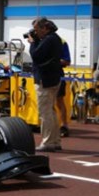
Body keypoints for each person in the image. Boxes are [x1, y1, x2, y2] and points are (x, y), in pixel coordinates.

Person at [29, 17, 64, 152]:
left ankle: (48, 141)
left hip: (45, 80)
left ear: (45, 28)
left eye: (37, 30)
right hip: (53, 78)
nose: (36, 33)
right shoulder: (55, 38)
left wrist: (33, 42)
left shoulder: (49, 39)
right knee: (51, 111)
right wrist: (37, 40)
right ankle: (55, 141)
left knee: (45, 112)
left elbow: (36, 55)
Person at [56, 37, 72, 138]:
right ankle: (52, 126)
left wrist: (53, 61)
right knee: (47, 103)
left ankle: (64, 126)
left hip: (57, 74)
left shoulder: (62, 42)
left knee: (59, 101)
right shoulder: (40, 40)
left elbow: (67, 61)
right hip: (44, 75)